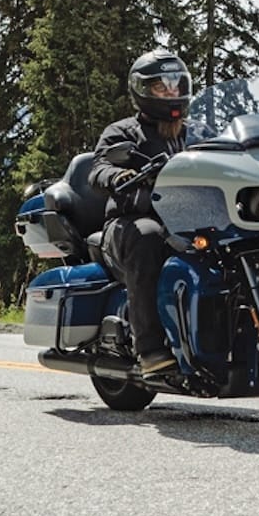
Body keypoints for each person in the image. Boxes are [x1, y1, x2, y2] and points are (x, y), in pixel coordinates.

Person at [89, 47, 192, 376]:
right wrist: (117, 176)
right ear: (142, 90)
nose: (171, 92)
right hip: (128, 223)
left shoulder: (198, 134)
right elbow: (98, 169)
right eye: (162, 87)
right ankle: (150, 349)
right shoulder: (122, 132)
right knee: (149, 236)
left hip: (189, 221)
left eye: (176, 85)